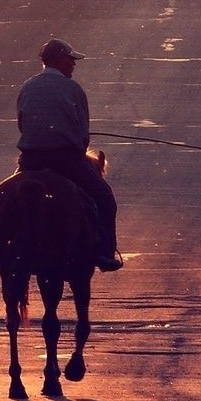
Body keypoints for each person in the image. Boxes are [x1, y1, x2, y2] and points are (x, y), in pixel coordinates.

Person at [15, 38, 123, 271]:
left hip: (30, 160)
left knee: (7, 196)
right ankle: (105, 252)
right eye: (70, 60)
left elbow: (22, 123)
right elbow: (83, 134)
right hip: (67, 160)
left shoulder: (27, 86)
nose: (73, 64)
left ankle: (6, 249)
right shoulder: (73, 89)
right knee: (104, 197)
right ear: (58, 61)